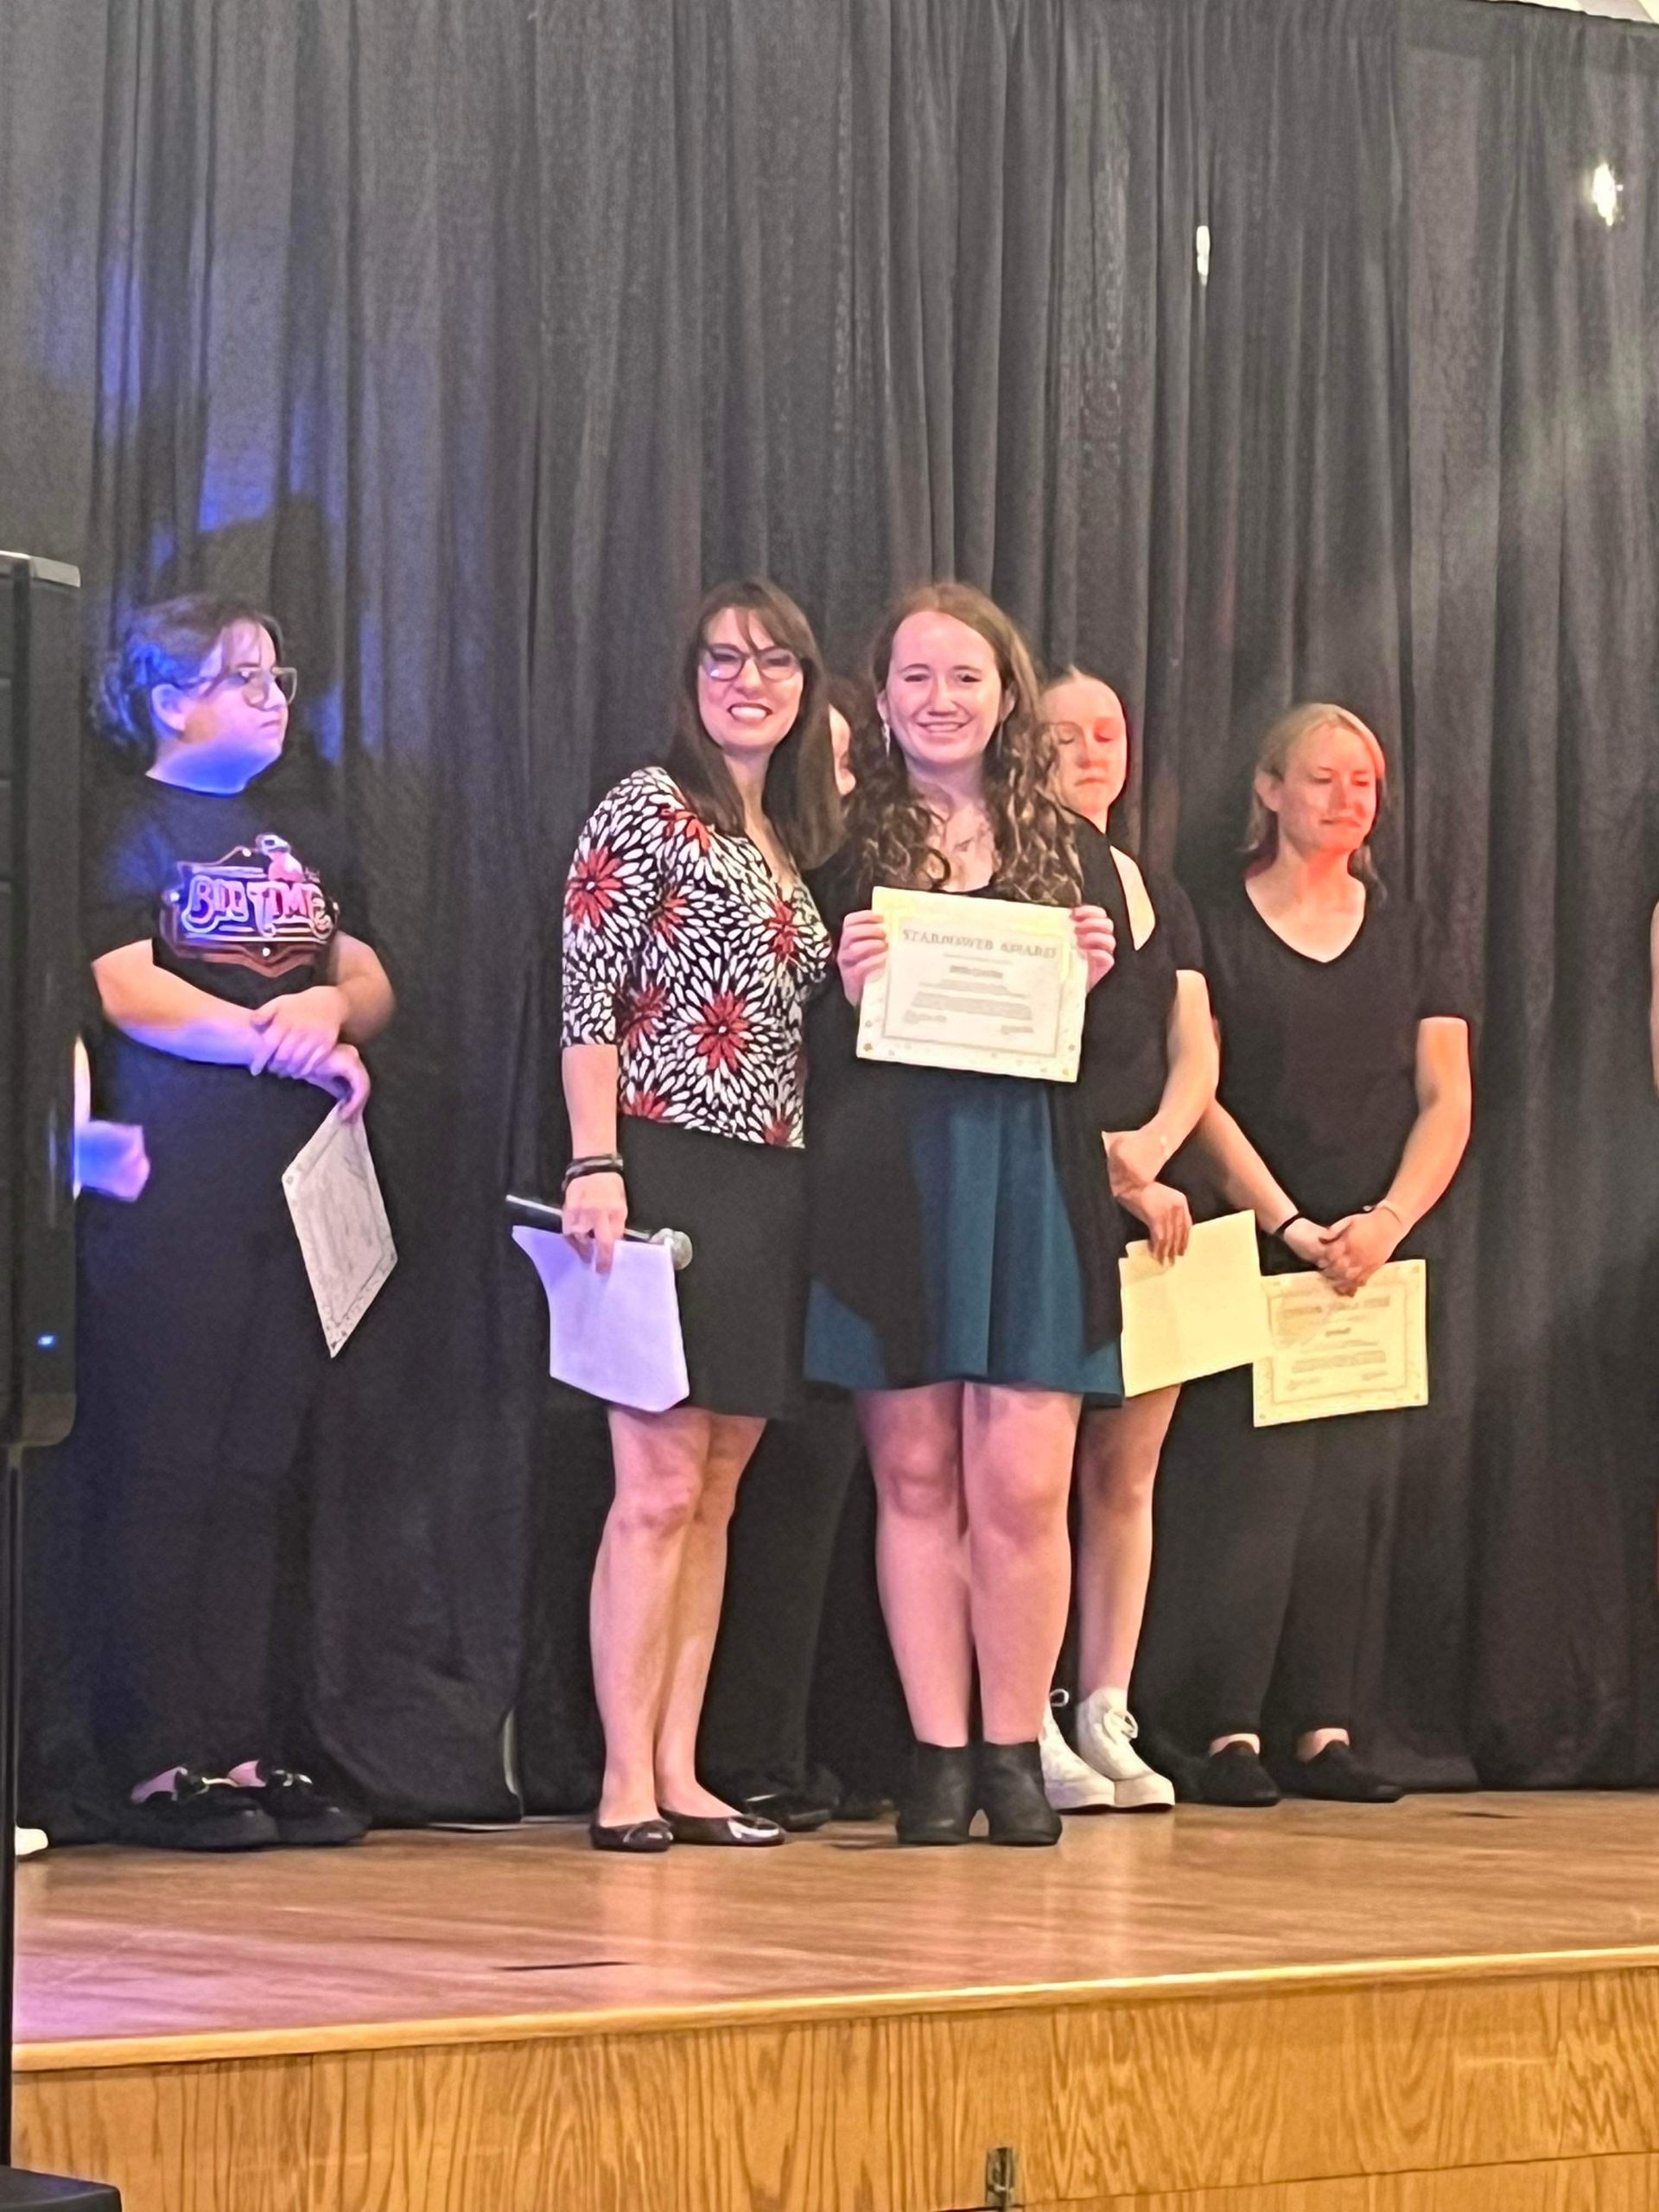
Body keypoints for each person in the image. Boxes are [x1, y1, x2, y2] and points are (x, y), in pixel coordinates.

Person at [804, 583, 1121, 1847]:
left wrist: (1091, 983)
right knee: (918, 1474)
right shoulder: (841, 850)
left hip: (1033, 1180)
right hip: (894, 1182)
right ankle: (939, 1754)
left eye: (966, 677)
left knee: (1025, 1485)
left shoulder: (1075, 851)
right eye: (917, 677)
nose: (941, 700)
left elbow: (1128, 1055)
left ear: (1007, 696)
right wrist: (841, 989)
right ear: (881, 699)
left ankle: (1013, 1747)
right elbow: (801, 1051)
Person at [81, 592, 394, 1849]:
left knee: (259, 1466)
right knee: (172, 1462)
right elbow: (126, 986)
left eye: (277, 677)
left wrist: (332, 1014)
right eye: (243, 678)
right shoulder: (125, 823)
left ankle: (242, 1742)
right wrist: (275, 1041)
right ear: (170, 700)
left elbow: (362, 970)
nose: (273, 699)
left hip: (299, 1184)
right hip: (175, 1179)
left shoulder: (305, 826)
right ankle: (159, 1757)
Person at [1141, 702, 1471, 1806]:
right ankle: (1225, 1727)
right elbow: (1201, 1091)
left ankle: (1323, 1726)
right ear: (1270, 791)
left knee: (1346, 1492)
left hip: (1373, 1256)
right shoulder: (1215, 922)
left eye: (1363, 781)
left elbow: (1447, 1097)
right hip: (1252, 1239)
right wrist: (1287, 1223)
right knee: (1245, 1490)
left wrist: (1385, 1222)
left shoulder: (1411, 930)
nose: (1345, 799)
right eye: (1322, 778)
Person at [559, 578, 841, 1853]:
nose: (750, 681)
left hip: (771, 1178)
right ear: (689, 678)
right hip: (661, 1162)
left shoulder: (786, 836)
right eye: (725, 658)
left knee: (718, 1489)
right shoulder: (647, 805)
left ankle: (681, 1766)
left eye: (776, 662)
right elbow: (588, 998)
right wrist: (595, 1162)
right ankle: (624, 1776)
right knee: (656, 1484)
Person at [1035, 671, 1217, 1815]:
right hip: (1056, 1182)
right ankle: (1034, 1704)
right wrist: (1105, 1161)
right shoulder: (1022, 871)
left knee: (1127, 1472)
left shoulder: (1159, 886)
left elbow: (1197, 1050)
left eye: (1108, 731)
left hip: (1155, 1198)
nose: (1093, 750)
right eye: (1065, 734)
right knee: (1033, 1471)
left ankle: (1108, 1702)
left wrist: (1150, 1152)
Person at [696, 670, 874, 1831]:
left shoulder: (858, 882)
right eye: (832, 755)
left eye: (855, 761)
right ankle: (730, 1748)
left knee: (815, 1486)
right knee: (728, 1483)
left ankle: (786, 1742)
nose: (841, 778)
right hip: (749, 1194)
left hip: (842, 1211)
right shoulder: (755, 872)